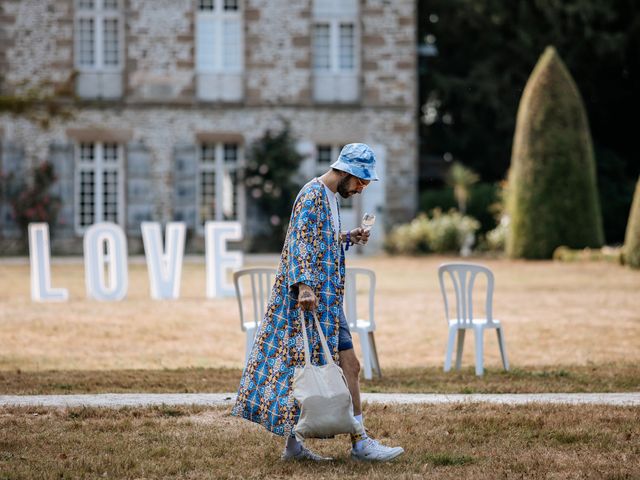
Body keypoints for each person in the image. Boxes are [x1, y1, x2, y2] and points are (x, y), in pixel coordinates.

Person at [232, 143, 404, 462]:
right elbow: (299, 242)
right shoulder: (312, 195)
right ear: (346, 172)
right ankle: (355, 442)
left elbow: (319, 240)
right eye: (360, 181)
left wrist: (348, 238)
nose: (361, 188)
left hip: (328, 303)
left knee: (337, 366)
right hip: (310, 303)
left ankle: (310, 446)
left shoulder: (329, 198)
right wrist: (305, 287)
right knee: (311, 370)